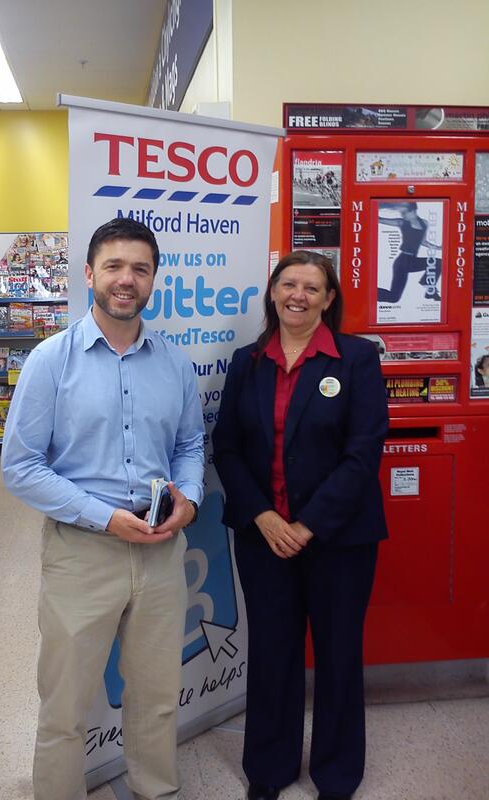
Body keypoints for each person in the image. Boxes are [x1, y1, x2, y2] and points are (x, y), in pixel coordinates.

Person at [1, 217, 205, 800]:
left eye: (140, 269)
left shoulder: (175, 364)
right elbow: (20, 467)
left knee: (158, 698)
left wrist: (186, 500)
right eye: (114, 266)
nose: (126, 279)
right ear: (89, 274)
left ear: (153, 281)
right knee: (66, 706)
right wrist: (102, 515)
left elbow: (190, 445)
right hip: (81, 553)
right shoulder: (50, 361)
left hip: (163, 554)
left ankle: (156, 791)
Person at [212, 250, 388, 800]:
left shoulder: (356, 359)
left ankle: (337, 775)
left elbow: (363, 453)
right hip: (263, 537)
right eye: (289, 284)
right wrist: (264, 516)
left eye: (313, 288)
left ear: (329, 300)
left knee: (338, 655)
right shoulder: (247, 361)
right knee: (272, 652)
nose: (299, 295)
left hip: (340, 539)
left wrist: (307, 524)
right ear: (272, 291)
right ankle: (269, 769)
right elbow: (227, 446)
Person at [377, 202, 442, 303]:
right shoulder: (402, 222)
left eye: (404, 213)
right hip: (402, 263)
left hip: (413, 261)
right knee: (394, 298)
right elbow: (379, 219)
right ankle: (368, 291)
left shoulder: (424, 223)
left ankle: (429, 291)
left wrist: (438, 248)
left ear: (413, 211)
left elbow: (423, 242)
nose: (402, 215)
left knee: (439, 263)